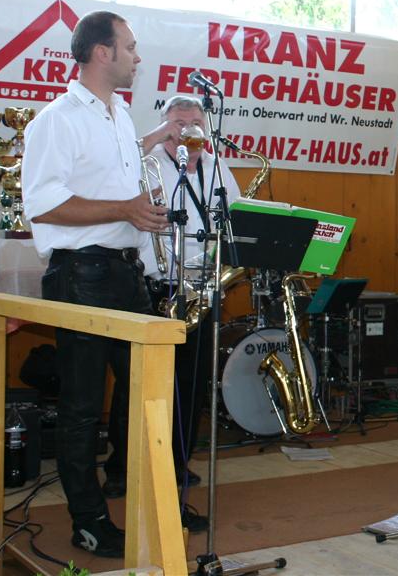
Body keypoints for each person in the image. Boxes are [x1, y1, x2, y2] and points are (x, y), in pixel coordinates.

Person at [22, 10, 173, 558]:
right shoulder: (57, 120)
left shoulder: (120, 117)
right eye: (130, 47)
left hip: (125, 273)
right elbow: (44, 204)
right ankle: (88, 520)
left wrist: (142, 222)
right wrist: (126, 209)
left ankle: (149, 500)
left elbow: (122, 204)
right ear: (102, 53)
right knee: (84, 406)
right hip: (81, 275)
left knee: (144, 397)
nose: (138, 56)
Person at [102, 95, 242, 532]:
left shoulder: (218, 167)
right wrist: (157, 139)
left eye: (194, 121)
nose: (187, 128)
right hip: (155, 283)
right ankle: (122, 467)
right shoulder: (145, 160)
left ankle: (175, 461)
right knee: (139, 384)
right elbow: (115, 169)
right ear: (165, 124)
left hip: (202, 286)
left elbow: (234, 216)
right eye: (178, 121)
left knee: (191, 382)